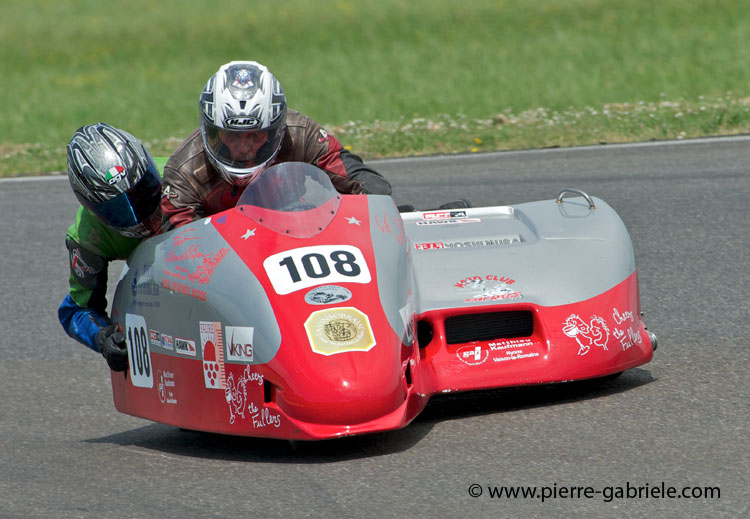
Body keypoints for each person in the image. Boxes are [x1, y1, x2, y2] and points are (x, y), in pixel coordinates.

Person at [161, 60, 391, 231]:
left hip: (294, 231)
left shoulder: (301, 133)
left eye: (255, 135)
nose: (243, 148)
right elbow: (181, 245)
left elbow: (368, 184)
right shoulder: (184, 170)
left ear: (276, 129)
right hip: (222, 257)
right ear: (210, 130)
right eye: (231, 136)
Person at [58, 123, 162, 372]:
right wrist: (103, 339)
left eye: (143, 191)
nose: (141, 215)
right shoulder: (87, 237)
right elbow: (76, 312)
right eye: (118, 209)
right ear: (95, 211)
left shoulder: (180, 174)